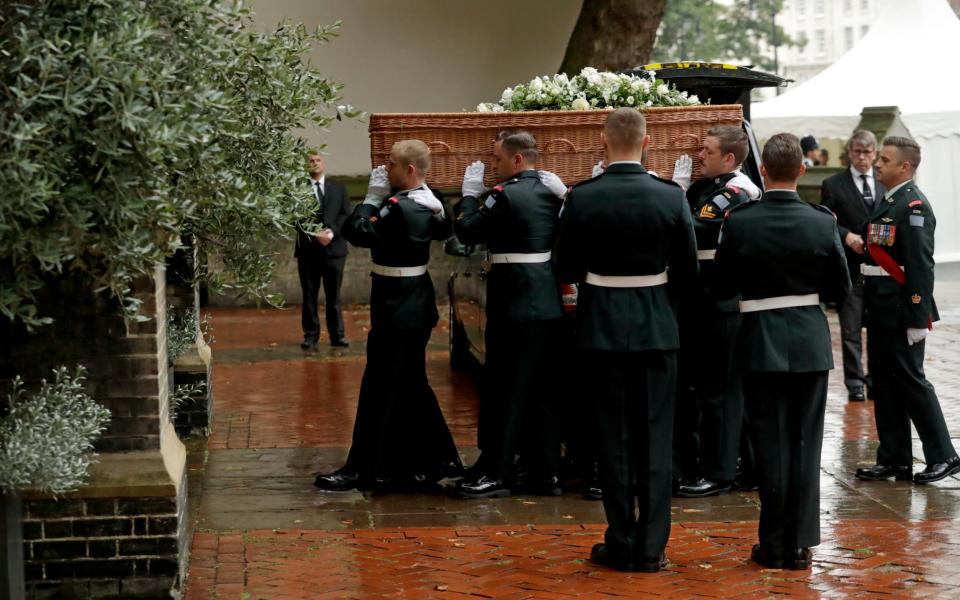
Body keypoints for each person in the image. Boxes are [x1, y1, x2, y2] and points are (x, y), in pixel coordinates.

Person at [556, 108, 699, 573]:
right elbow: (689, 272)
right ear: (647, 140)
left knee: (612, 438)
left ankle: (621, 539)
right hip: (657, 325)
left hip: (601, 327)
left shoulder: (583, 197)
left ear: (603, 140)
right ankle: (653, 545)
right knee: (657, 438)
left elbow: (563, 269)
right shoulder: (669, 196)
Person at [712, 132, 850, 570]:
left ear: (763, 171)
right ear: (802, 170)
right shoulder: (822, 220)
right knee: (806, 443)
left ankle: (773, 543)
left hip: (758, 339)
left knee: (769, 443)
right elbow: (839, 288)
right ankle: (800, 543)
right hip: (808, 339)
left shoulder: (739, 220)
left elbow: (722, 285)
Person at [313, 140, 462, 492]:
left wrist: (370, 199)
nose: (384, 170)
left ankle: (364, 467)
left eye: (391, 164)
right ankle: (433, 460)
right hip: (407, 300)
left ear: (409, 170)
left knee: (382, 384)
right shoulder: (430, 199)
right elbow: (443, 227)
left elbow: (356, 232)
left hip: (400, 304)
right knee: (408, 382)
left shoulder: (399, 206)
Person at [453, 130, 567, 499]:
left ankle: (498, 470)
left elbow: (467, 229)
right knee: (542, 390)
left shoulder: (505, 195)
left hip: (515, 302)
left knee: (505, 388)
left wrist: (469, 197)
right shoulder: (552, 194)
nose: (492, 167)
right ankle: (544, 471)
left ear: (518, 160)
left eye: (498, 159)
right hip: (545, 302)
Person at [855, 136, 960, 485]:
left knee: (912, 383)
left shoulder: (913, 206)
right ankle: (895, 458)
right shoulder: (889, 201)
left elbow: (919, 266)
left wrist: (917, 317)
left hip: (901, 310)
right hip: (882, 307)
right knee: (883, 384)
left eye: (885, 159)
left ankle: (944, 455)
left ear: (905, 166)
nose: (877, 164)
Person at [670, 125, 757, 498]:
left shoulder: (737, 190)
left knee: (721, 391)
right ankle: (733, 464)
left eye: (706, 150)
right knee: (707, 389)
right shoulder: (711, 186)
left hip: (722, 302)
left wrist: (671, 194)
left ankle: (720, 472)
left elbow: (696, 224)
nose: (699, 155)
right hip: (704, 299)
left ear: (730, 158)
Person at [820, 130, 886, 402]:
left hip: (880, 270)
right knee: (850, 329)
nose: (862, 158)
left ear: (875, 154)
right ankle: (855, 382)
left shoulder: (883, 183)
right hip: (849, 270)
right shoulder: (833, 184)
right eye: (858, 152)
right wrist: (846, 236)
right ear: (850, 152)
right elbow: (826, 219)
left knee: (879, 330)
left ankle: (876, 380)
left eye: (867, 152)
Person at [296, 153, 352, 349]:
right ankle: (310, 335)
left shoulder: (338, 188)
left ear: (323, 163)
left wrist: (331, 232)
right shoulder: (298, 190)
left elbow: (346, 214)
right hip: (308, 251)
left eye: (317, 159)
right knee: (309, 295)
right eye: (310, 160)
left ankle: (338, 335)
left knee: (333, 296)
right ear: (306, 165)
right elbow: (295, 217)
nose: (314, 163)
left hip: (334, 250)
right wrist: (314, 233)